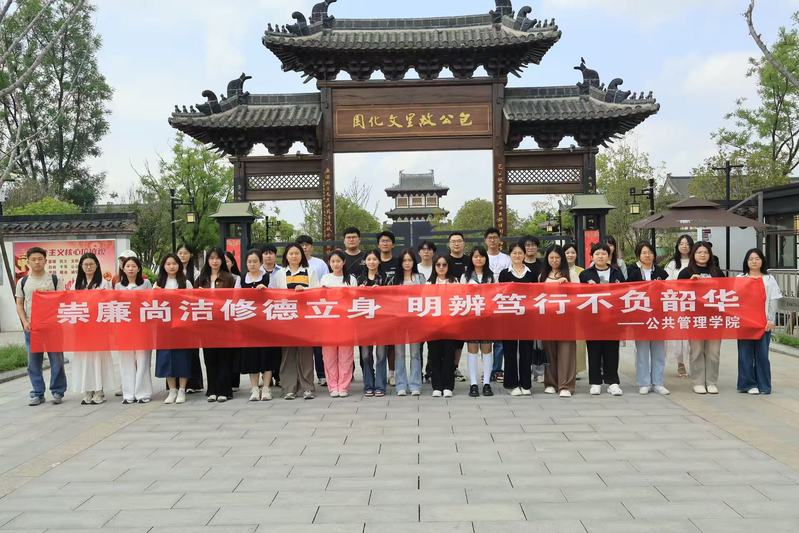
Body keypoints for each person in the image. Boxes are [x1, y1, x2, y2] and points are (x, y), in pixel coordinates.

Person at [16, 247, 66, 406]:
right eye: (33, 259)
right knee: (33, 362)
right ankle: (37, 393)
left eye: (40, 259)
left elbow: (63, 301)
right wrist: (25, 322)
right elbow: (19, 304)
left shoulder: (55, 280)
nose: (37, 262)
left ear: (45, 260)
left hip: (53, 327)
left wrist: (48, 295)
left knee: (57, 360)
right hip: (32, 328)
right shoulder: (23, 282)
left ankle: (57, 391)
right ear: (28, 261)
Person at [271, 243, 319, 400]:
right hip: (286, 318)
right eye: (291, 253)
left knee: (306, 354)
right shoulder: (279, 274)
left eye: (297, 253)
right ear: (286, 256)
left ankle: (307, 387)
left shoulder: (310, 272)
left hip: (305, 319)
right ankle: (289, 388)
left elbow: (317, 292)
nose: (294, 256)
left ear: (302, 255)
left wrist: (304, 290)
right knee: (287, 354)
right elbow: (273, 295)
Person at [678, 241, 726, 394]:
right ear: (694, 254)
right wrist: (689, 284)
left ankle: (711, 382)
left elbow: (726, 293)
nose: (703, 255)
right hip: (695, 318)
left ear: (710, 255)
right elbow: (677, 294)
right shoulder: (685, 273)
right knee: (697, 350)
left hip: (714, 318)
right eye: (699, 252)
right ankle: (698, 381)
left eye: (706, 252)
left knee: (714, 352)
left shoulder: (717, 272)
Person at [580, 242, 626, 396]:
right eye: (597, 254)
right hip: (592, 319)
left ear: (609, 256)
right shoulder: (585, 275)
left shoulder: (617, 273)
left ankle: (613, 382)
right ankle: (595, 382)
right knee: (594, 350)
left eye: (604, 253)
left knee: (612, 351)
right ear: (592, 256)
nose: (600, 256)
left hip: (612, 319)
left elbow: (623, 295)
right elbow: (578, 297)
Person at [70, 253, 115, 405]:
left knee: (98, 359)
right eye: (86, 264)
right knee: (84, 359)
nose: (89, 267)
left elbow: (109, 302)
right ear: (81, 266)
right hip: (82, 327)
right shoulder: (76, 284)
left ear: (97, 265)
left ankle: (99, 390)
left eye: (91, 264)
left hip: (99, 327)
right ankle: (88, 389)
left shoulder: (104, 283)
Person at [627, 241, 670, 396]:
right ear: (638, 255)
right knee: (642, 351)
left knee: (659, 351)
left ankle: (658, 382)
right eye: (644, 252)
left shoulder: (662, 273)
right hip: (640, 316)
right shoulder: (632, 273)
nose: (647, 255)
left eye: (650, 252)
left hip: (658, 317)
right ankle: (644, 382)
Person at [737, 248, 782, 395]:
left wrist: (771, 319)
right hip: (745, 323)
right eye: (751, 259)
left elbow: (774, 300)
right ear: (746, 262)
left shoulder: (769, 279)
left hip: (763, 323)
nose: (754, 261)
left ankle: (764, 385)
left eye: (757, 258)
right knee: (745, 354)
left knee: (762, 355)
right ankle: (748, 384)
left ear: (762, 261)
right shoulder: (740, 278)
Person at [196, 247, 238, 402]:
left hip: (224, 322)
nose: (214, 261)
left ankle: (224, 390)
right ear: (207, 260)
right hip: (206, 323)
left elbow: (234, 299)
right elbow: (193, 299)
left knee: (224, 357)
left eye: (218, 258)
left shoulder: (229, 278)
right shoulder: (201, 278)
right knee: (209, 357)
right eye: (211, 258)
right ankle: (212, 389)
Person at [540, 245, 579, 397]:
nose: (555, 260)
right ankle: (551, 383)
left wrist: (567, 284)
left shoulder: (571, 274)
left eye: (557, 257)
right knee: (549, 351)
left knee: (566, 351)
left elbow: (578, 295)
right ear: (547, 259)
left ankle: (566, 385)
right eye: (551, 257)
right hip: (547, 319)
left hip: (566, 319)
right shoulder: (542, 276)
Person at [498, 242, 537, 396]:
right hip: (509, 317)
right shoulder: (504, 274)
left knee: (526, 351)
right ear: (510, 255)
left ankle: (526, 384)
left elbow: (536, 295)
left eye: (520, 253)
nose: (517, 256)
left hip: (527, 318)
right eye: (514, 253)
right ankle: (512, 384)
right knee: (510, 352)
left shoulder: (531, 274)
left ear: (524, 255)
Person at [154, 253, 193, 405]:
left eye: (174, 263)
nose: (171, 266)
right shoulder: (158, 283)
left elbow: (191, 302)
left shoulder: (186, 282)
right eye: (168, 264)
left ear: (179, 265)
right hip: (164, 325)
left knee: (182, 357)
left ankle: (182, 389)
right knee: (166, 357)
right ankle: (172, 390)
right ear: (163, 266)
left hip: (182, 325)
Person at [239, 249, 278, 401]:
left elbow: (276, 296)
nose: (252, 264)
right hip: (249, 324)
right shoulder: (242, 279)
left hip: (266, 324)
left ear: (260, 262)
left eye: (255, 261)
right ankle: (254, 388)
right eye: (249, 262)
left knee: (267, 355)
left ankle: (266, 387)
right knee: (252, 357)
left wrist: (266, 290)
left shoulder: (268, 277)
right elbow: (233, 297)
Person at [114, 256, 153, 404]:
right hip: (124, 328)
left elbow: (151, 303)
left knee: (143, 360)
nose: (130, 269)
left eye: (133, 266)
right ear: (123, 269)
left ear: (139, 268)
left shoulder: (146, 283)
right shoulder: (118, 286)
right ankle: (128, 394)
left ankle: (143, 393)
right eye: (128, 266)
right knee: (126, 361)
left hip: (142, 327)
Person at [320, 250, 357, 398]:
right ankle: (333, 386)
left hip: (346, 323)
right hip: (328, 323)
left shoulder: (351, 279)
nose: (336, 264)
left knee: (346, 356)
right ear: (329, 263)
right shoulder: (325, 278)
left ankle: (343, 386)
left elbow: (354, 299)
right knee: (329, 357)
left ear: (344, 262)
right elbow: (320, 298)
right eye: (333, 261)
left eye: (338, 261)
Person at [390, 248, 427, 396]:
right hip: (398, 321)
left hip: (415, 321)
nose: (407, 263)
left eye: (410, 260)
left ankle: (415, 384)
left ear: (414, 262)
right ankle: (401, 385)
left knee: (415, 353)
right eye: (404, 260)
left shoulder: (420, 278)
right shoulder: (394, 279)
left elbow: (426, 296)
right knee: (399, 353)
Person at [461, 246, 495, 397]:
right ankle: (473, 384)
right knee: (472, 349)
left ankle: (486, 383)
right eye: (475, 256)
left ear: (485, 259)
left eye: (481, 256)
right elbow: (461, 296)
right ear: (471, 259)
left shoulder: (491, 276)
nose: (478, 259)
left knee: (487, 349)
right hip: (471, 317)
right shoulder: (465, 276)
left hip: (487, 318)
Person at [296, 235, 329, 390]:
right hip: (297, 310)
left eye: (307, 244)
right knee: (302, 345)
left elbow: (325, 284)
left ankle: (322, 375)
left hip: (316, 308)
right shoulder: (291, 265)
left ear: (312, 247)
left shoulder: (319, 263)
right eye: (301, 245)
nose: (304, 247)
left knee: (318, 345)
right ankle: (300, 376)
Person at [427, 254, 458, 397]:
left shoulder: (455, 282)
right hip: (433, 326)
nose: (441, 267)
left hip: (451, 325)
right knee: (434, 355)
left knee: (449, 355)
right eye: (438, 265)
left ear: (448, 266)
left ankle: (448, 386)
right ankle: (437, 386)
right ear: (434, 267)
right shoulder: (429, 284)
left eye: (444, 264)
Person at [357, 249, 387, 397]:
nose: (372, 262)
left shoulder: (385, 278)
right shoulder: (359, 279)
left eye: (374, 259)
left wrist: (381, 291)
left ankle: (380, 385)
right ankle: (368, 384)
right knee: (365, 355)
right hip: (364, 323)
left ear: (379, 261)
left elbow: (392, 298)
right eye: (369, 259)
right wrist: (359, 291)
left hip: (382, 322)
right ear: (365, 261)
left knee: (381, 355)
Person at [665, 234, 694, 378]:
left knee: (693, 335)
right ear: (677, 246)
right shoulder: (672, 264)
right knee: (679, 335)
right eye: (681, 243)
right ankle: (680, 363)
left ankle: (695, 363)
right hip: (678, 302)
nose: (684, 246)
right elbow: (667, 282)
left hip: (694, 304)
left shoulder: (695, 262)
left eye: (687, 243)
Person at [176, 243, 203, 393]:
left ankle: (193, 383)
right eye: (180, 253)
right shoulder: (171, 271)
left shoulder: (197, 273)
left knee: (192, 350)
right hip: (175, 316)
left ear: (190, 255)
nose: (182, 256)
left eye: (185, 253)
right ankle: (176, 383)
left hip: (190, 314)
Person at [519, 236, 546, 383]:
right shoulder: (519, 265)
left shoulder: (543, 265)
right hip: (522, 308)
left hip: (539, 306)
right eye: (527, 245)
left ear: (537, 247)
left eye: (533, 245)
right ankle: (525, 370)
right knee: (524, 342)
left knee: (539, 341)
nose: (530, 248)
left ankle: (539, 371)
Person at [484, 227, 510, 383]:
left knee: (499, 340)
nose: (492, 240)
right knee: (485, 340)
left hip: (501, 301)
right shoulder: (482, 257)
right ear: (485, 240)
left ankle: (497, 369)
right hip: (485, 302)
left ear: (499, 240)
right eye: (490, 237)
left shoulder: (506, 259)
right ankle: (487, 370)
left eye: (495, 237)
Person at [377, 230, 399, 385]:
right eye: (382, 241)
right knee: (378, 345)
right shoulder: (373, 261)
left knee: (392, 343)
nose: (385, 243)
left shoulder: (398, 262)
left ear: (393, 244)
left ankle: (392, 374)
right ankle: (378, 374)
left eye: (388, 241)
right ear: (378, 244)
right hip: (375, 308)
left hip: (393, 308)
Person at [445, 232, 468, 383]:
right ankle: (436, 367)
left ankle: (455, 367)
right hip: (446, 305)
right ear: (449, 244)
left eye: (459, 241)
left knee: (460, 340)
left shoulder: (469, 260)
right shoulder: (444, 261)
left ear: (464, 243)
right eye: (453, 241)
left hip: (464, 305)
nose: (456, 244)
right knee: (446, 339)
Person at [563, 242, 587, 378]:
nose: (570, 255)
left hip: (578, 309)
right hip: (562, 308)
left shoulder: (582, 271)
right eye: (567, 252)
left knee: (578, 340)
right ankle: (564, 367)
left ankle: (576, 369)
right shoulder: (558, 270)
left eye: (573, 252)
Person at [224, 251, 243, 391]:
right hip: (218, 319)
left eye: (227, 261)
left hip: (233, 317)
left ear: (232, 263)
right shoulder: (210, 278)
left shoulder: (237, 278)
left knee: (234, 351)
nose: (224, 264)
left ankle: (234, 381)